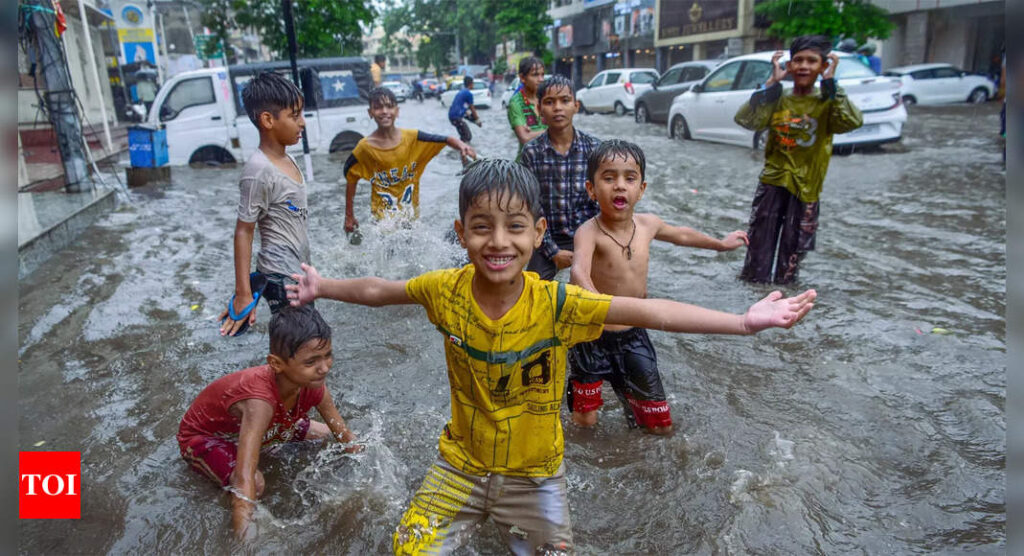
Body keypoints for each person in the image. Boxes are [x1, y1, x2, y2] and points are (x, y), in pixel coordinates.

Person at [284, 158, 817, 554]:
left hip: (535, 477)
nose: (499, 242)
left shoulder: (558, 303)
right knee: (408, 548)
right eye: (481, 227)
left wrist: (744, 323)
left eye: (515, 227)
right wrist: (323, 286)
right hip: (459, 466)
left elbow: (653, 312)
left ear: (538, 233)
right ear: (460, 233)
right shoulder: (444, 290)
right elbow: (382, 290)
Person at [568, 140, 749, 435]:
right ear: (591, 189)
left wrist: (720, 244)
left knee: (655, 422)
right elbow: (578, 269)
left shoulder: (648, 224)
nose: (619, 186)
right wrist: (596, 301)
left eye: (629, 178)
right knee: (585, 420)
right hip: (590, 334)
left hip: (634, 334)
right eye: (608, 177)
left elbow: (682, 235)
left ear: (642, 189)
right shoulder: (588, 232)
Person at [179, 305, 359, 539]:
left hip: (267, 425)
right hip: (205, 438)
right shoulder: (259, 403)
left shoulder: (314, 387)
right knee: (256, 482)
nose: (324, 368)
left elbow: (345, 437)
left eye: (328, 355)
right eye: (311, 362)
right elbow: (245, 481)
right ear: (276, 363)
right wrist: (244, 542)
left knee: (323, 435)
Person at [734, 35, 863, 284]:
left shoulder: (827, 101)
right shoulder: (778, 98)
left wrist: (831, 84)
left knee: (791, 257)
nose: (804, 66)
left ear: (823, 66)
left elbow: (851, 122)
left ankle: (784, 299)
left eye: (812, 61)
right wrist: (771, 83)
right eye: (798, 60)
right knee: (757, 251)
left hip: (806, 188)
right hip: (772, 183)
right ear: (790, 66)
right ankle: (753, 298)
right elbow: (747, 120)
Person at [219, 71, 311, 337]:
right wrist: (243, 294)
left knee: (302, 349)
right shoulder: (258, 170)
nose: (302, 123)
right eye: (294, 116)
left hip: (296, 273)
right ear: (268, 120)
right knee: (303, 349)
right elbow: (244, 230)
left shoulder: (288, 159)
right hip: (279, 277)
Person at [343, 87, 476, 234]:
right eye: (378, 107)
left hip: (410, 218)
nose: (385, 111)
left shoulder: (413, 138)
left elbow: (444, 139)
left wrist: (462, 145)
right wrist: (349, 216)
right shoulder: (364, 148)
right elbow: (350, 176)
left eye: (389, 106)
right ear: (370, 113)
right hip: (383, 220)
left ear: (397, 111)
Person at [520, 74, 601, 280]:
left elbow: (601, 202)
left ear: (576, 105)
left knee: (605, 292)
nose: (558, 108)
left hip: (589, 234)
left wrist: (591, 243)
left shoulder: (594, 149)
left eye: (565, 100)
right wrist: (552, 252)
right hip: (548, 237)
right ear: (539, 110)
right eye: (549, 102)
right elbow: (531, 207)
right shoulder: (531, 153)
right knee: (531, 291)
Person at [507, 56, 547, 159]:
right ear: (522, 78)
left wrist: (534, 133)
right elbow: (525, 138)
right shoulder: (516, 103)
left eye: (542, 75)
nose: (541, 79)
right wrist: (552, 130)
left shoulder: (548, 99)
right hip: (526, 165)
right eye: (535, 75)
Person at [448, 75, 481, 148]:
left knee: (464, 135)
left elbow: (466, 112)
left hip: (452, 117)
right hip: (456, 117)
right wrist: (477, 120)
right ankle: (462, 150)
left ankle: (458, 149)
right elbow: (472, 108)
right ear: (471, 84)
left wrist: (474, 121)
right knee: (467, 136)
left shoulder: (461, 92)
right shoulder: (468, 94)